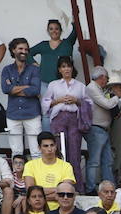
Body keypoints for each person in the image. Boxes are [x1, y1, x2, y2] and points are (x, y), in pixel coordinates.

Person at [42, 57, 88, 190]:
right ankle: (59, 186)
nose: (66, 69)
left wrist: (76, 100)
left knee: (75, 153)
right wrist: (59, 100)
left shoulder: (80, 86)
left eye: (68, 66)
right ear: (59, 69)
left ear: (72, 68)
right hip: (59, 118)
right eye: (63, 66)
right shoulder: (53, 84)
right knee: (59, 152)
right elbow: (45, 104)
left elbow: (89, 105)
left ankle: (77, 188)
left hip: (74, 119)